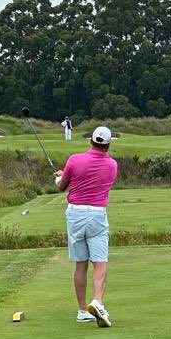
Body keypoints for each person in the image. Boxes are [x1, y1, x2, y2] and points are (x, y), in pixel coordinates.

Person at [55, 126, 118, 327]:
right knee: (100, 261)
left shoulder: (74, 160)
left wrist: (60, 176)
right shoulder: (112, 165)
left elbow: (61, 186)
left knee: (80, 263)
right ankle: (97, 301)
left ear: (91, 140)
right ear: (107, 144)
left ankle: (83, 311)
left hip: (75, 214)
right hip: (97, 214)